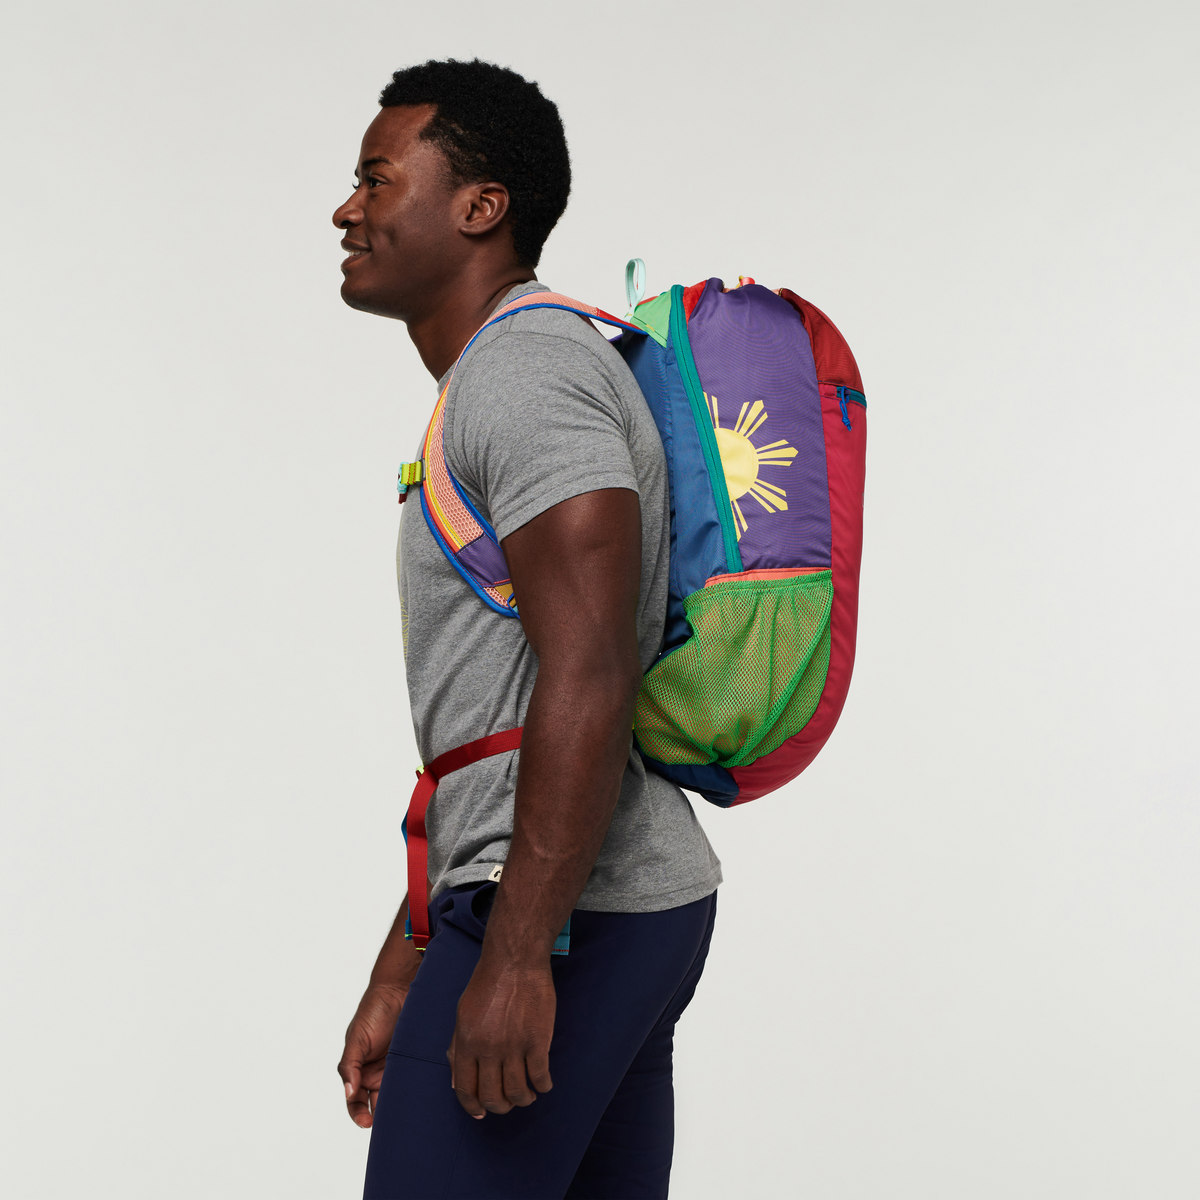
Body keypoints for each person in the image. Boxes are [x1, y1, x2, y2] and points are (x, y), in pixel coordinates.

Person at [333, 59, 722, 1200]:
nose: (347, 209)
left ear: (480, 206)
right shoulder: (505, 374)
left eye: (376, 178)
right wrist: (407, 962)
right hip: (583, 904)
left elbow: (589, 671)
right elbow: (495, 721)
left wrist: (513, 958)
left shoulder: (528, 374)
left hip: (564, 916)